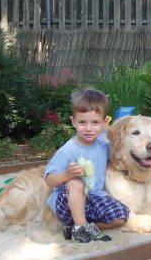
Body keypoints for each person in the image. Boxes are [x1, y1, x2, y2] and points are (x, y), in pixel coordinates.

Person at [44, 88, 129, 243]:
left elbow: (115, 140)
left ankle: (79, 225)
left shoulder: (102, 141)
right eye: (82, 122)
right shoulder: (68, 150)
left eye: (95, 122)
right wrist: (67, 174)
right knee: (76, 182)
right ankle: (80, 227)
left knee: (122, 216)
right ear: (73, 122)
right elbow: (49, 180)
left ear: (104, 123)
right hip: (67, 202)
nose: (89, 128)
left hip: (93, 197)